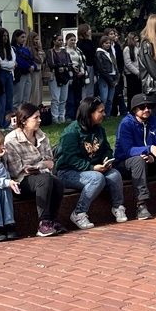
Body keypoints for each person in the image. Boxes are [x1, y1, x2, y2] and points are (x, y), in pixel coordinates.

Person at [56, 96, 126, 230]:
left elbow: (106, 149)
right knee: (96, 178)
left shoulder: (99, 129)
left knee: (114, 174)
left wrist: (107, 159)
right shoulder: (71, 132)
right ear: (89, 113)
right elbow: (70, 158)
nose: (104, 114)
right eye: (101, 111)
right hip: (68, 171)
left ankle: (118, 207)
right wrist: (92, 167)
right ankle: (79, 212)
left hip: (94, 168)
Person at [3, 103, 66, 236]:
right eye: (36, 117)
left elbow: (50, 161)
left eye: (39, 117)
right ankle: (43, 223)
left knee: (57, 182)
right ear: (24, 121)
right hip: (20, 182)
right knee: (45, 179)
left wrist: (37, 167)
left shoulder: (42, 136)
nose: (40, 120)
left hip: (41, 176)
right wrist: (41, 165)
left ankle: (52, 220)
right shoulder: (11, 140)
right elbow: (17, 170)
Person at [0, 28, 16, 129]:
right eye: (3, 36)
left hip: (9, 75)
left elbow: (13, 61)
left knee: (9, 101)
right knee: (0, 100)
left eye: (6, 36)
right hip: (1, 75)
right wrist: (10, 65)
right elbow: (0, 63)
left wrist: (9, 65)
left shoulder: (11, 48)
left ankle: (6, 123)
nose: (5, 38)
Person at [46, 34, 73, 124]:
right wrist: (61, 66)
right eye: (58, 40)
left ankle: (62, 116)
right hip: (54, 76)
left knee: (63, 98)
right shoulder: (51, 52)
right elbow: (51, 64)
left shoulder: (65, 53)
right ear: (54, 41)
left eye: (61, 40)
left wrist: (64, 67)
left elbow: (69, 64)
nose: (60, 42)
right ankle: (55, 118)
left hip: (64, 76)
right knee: (55, 98)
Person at [93, 36, 120, 118]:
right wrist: (110, 80)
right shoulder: (99, 53)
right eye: (106, 43)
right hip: (104, 78)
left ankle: (107, 115)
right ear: (102, 44)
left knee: (110, 99)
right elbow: (101, 69)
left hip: (113, 76)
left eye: (109, 43)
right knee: (103, 98)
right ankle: (100, 114)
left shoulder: (110, 53)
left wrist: (116, 79)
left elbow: (115, 66)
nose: (108, 45)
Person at [64, 32, 88, 122]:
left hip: (78, 75)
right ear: (66, 40)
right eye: (71, 40)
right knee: (70, 98)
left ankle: (77, 115)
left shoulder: (78, 50)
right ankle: (69, 116)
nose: (73, 42)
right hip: (69, 75)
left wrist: (82, 72)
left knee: (78, 98)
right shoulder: (64, 50)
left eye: (74, 40)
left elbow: (82, 62)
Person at [11, 29, 35, 112]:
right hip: (20, 75)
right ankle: (15, 118)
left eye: (25, 37)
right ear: (16, 37)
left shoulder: (25, 49)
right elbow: (17, 60)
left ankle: (24, 117)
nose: (24, 39)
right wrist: (28, 66)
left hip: (28, 74)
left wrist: (33, 66)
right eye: (22, 37)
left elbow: (32, 59)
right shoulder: (13, 49)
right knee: (18, 98)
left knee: (26, 98)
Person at [122, 33, 142, 107]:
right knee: (132, 93)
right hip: (131, 74)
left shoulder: (137, 48)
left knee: (138, 92)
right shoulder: (127, 49)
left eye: (137, 38)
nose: (137, 40)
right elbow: (128, 63)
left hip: (138, 73)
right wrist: (137, 72)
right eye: (135, 39)